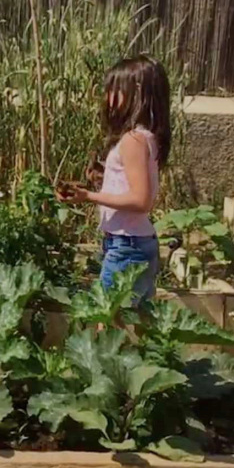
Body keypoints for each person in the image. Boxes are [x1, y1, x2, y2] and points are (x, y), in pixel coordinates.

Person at [58, 55, 171, 302]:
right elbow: (133, 187)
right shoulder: (146, 137)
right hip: (137, 242)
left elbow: (141, 201)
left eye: (114, 91)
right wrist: (103, 179)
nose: (108, 98)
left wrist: (88, 196)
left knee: (106, 319)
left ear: (136, 92)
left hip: (127, 246)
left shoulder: (133, 140)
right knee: (140, 318)